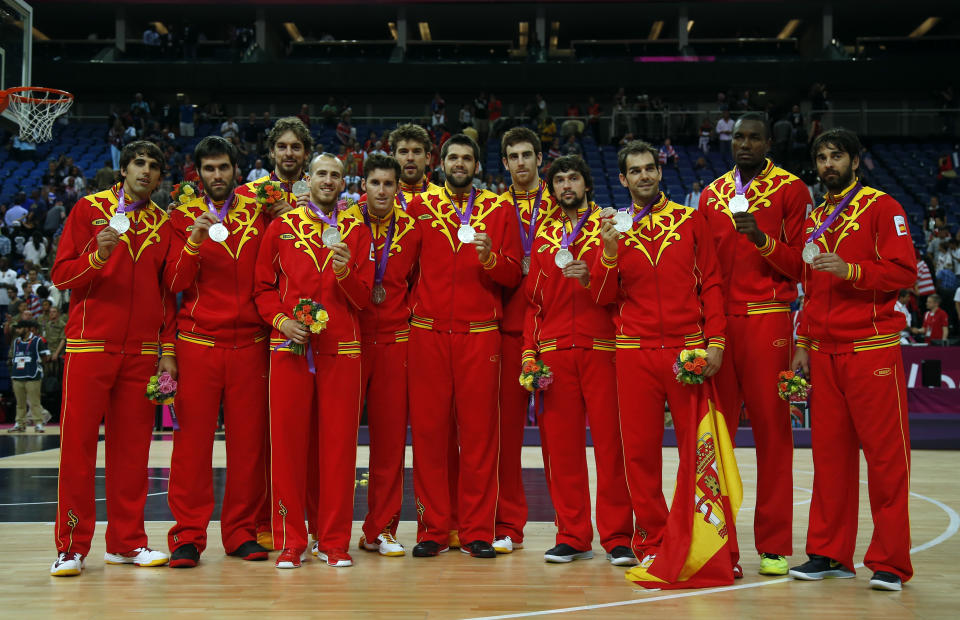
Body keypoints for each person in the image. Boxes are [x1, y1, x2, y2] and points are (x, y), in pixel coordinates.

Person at [757, 128, 915, 591]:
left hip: (869, 349)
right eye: (822, 157)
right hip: (822, 352)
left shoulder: (884, 208)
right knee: (829, 459)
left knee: (885, 460)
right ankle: (829, 553)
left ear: (856, 161)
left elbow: (905, 270)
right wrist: (802, 343)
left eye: (837, 156)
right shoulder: (816, 216)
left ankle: (891, 561)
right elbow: (809, 288)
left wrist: (852, 270)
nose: (829, 164)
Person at [593, 141, 734, 587]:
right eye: (634, 171)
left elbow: (712, 283)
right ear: (622, 179)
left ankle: (715, 543)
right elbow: (600, 296)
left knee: (701, 452)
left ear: (660, 171)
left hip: (687, 349)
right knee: (639, 454)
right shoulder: (611, 228)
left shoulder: (691, 220)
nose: (644, 176)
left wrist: (715, 342)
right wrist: (608, 252)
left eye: (650, 168)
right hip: (633, 352)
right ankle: (653, 542)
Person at [49, 140, 176, 576]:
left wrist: (165, 351)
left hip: (140, 353)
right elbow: (62, 275)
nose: (145, 171)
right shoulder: (88, 209)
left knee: (133, 454)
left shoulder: (164, 223)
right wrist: (97, 254)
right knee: (77, 452)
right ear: (124, 169)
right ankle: (71, 547)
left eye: (154, 166)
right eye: (139, 163)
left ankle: (126, 543)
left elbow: (167, 295)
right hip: (89, 347)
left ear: (160, 178)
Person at [699, 112, 810, 576]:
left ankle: (774, 545)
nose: (744, 144)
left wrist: (762, 239)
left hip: (769, 321)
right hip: (721, 326)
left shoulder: (792, 189)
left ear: (769, 142)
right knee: (717, 438)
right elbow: (702, 268)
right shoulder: (710, 195)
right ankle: (720, 546)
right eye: (738, 137)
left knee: (773, 438)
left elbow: (800, 265)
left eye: (754, 138)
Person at [254, 154, 373, 569]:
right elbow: (262, 289)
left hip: (342, 351)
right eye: (321, 173)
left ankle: (334, 541)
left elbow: (364, 299)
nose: (327, 180)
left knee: (339, 451)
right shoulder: (280, 227)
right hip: (290, 348)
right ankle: (291, 541)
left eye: (335, 175)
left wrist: (344, 273)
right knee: (287, 448)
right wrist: (283, 322)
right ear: (308, 178)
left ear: (343, 183)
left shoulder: (358, 230)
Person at [405, 134, 522, 559]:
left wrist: (491, 258)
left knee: (479, 437)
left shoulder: (498, 208)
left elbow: (513, 274)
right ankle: (433, 529)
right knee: (431, 435)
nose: (458, 164)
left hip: (479, 333)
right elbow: (401, 268)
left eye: (466, 158)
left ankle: (476, 530)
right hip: (428, 331)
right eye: (452, 157)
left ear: (477, 164)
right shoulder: (419, 206)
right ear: (442, 162)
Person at [162, 136, 271, 568]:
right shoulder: (181, 217)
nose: (217, 175)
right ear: (198, 174)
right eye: (209, 169)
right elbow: (173, 283)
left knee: (249, 447)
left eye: (223, 167)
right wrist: (193, 239)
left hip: (251, 345)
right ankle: (187, 536)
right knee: (191, 446)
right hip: (199, 344)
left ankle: (241, 533)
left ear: (236, 171)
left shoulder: (259, 211)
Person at [522, 154, 635, 565]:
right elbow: (532, 302)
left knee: (611, 446)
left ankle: (619, 536)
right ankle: (571, 534)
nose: (566, 185)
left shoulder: (611, 225)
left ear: (587, 184)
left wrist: (596, 271)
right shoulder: (545, 233)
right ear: (551, 188)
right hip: (553, 353)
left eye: (573, 178)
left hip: (603, 349)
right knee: (561, 449)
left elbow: (625, 286)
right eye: (559, 180)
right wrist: (529, 355)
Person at [495, 127, 559, 554]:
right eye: (512, 156)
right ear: (504, 163)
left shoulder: (561, 202)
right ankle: (508, 526)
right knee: (506, 437)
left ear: (540, 158)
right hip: (506, 332)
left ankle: (573, 532)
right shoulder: (490, 208)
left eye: (527, 155)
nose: (520, 162)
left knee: (560, 439)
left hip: (553, 331)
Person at [356, 154, 422, 558]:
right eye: (375, 182)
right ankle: (321, 528)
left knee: (390, 442)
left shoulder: (413, 229)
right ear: (363, 184)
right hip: (350, 341)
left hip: (396, 341)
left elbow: (419, 279)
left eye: (389, 184)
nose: (382, 190)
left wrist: (409, 313)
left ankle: (380, 529)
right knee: (335, 441)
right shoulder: (342, 224)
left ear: (399, 188)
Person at [239, 116, 312, 220]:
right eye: (282, 147)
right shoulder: (244, 194)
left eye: (296, 147)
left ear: (306, 153)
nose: (289, 153)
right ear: (272, 151)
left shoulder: (319, 194)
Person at [7, 319, 50, 433]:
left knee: (34, 402)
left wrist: (36, 366)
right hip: (18, 376)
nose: (17, 330)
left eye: (19, 328)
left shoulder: (37, 341)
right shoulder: (16, 341)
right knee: (19, 403)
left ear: (26, 328)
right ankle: (19, 423)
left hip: (33, 376)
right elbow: (12, 357)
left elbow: (45, 357)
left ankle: (39, 423)